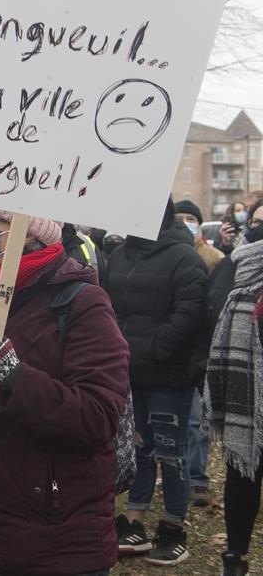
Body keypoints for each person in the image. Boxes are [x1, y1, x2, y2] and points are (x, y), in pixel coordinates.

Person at [0, 208, 129, 576]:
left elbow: (98, 416)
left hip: (54, 542)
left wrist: (15, 378)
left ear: (29, 234)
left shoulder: (84, 303)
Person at [104, 198, 207, 566]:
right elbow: (107, 306)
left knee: (170, 452)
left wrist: (155, 349)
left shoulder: (184, 257)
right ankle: (134, 522)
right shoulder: (118, 256)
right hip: (131, 373)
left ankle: (173, 527)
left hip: (168, 375)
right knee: (138, 448)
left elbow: (190, 310)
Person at [205, 203, 263, 576]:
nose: (258, 228)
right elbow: (213, 313)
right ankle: (235, 554)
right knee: (242, 476)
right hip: (248, 393)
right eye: (257, 222)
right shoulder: (235, 265)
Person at [174, 198, 225, 508]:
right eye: (179, 217)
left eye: (189, 218)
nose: (184, 223)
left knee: (196, 421)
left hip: (198, 349)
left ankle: (198, 478)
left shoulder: (214, 258)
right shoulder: (166, 254)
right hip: (171, 351)